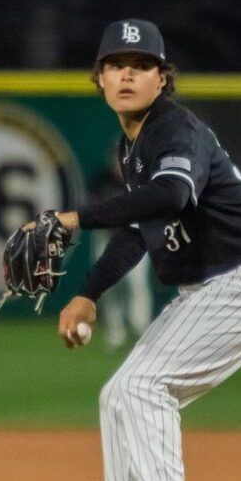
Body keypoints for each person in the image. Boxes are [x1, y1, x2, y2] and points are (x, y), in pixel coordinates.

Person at [39, 18, 241, 481]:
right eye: (115, 64)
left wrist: (75, 216)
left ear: (163, 79)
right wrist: (89, 292)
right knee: (118, 395)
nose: (127, 73)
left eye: (142, 65)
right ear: (100, 80)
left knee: (143, 388)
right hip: (216, 284)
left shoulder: (174, 131)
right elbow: (141, 227)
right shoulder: (132, 148)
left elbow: (174, 194)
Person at [85, 145, 155, 351]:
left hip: (136, 238)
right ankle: (116, 331)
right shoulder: (100, 181)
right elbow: (91, 211)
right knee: (108, 288)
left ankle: (142, 330)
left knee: (137, 285)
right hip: (106, 239)